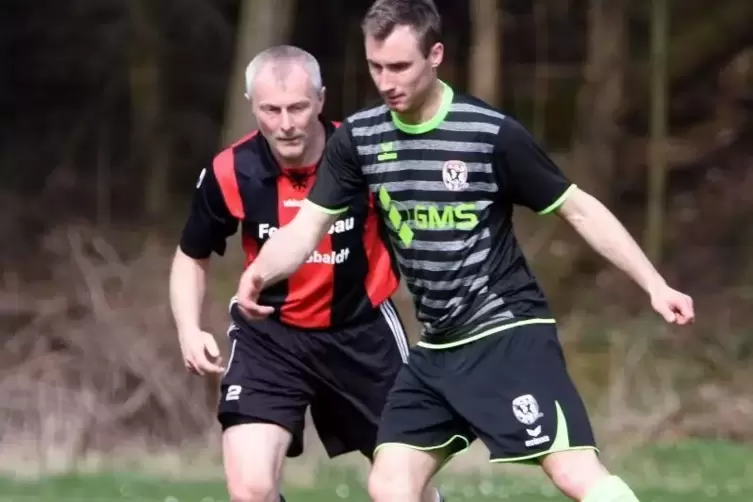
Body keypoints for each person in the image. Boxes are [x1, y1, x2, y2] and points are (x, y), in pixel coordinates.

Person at [232, 2, 696, 502]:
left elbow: (578, 209)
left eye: (400, 67)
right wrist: (259, 273)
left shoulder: (489, 134)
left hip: (505, 332)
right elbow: (306, 230)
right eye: (375, 66)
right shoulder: (361, 141)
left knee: (574, 472)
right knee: (389, 483)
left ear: (436, 55)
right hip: (438, 347)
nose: (386, 81)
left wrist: (654, 282)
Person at [169, 45, 443, 502]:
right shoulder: (230, 170)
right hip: (269, 339)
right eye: (270, 110)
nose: (285, 123)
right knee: (251, 488)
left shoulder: (367, 155)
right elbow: (190, 256)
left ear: (320, 99)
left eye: (297, 107)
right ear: (250, 105)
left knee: (402, 490)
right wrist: (188, 328)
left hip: (363, 335)